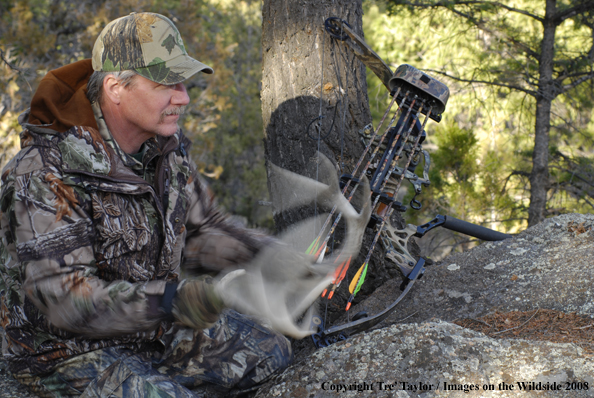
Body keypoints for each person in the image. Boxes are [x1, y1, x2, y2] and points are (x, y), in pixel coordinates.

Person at [0, 12, 292, 397]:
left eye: (183, 83)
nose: (183, 98)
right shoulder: (42, 172)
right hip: (56, 358)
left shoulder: (164, 150)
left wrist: (271, 255)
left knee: (271, 351)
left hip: (149, 332)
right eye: (165, 84)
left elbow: (202, 232)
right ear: (115, 88)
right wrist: (172, 301)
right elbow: (66, 301)